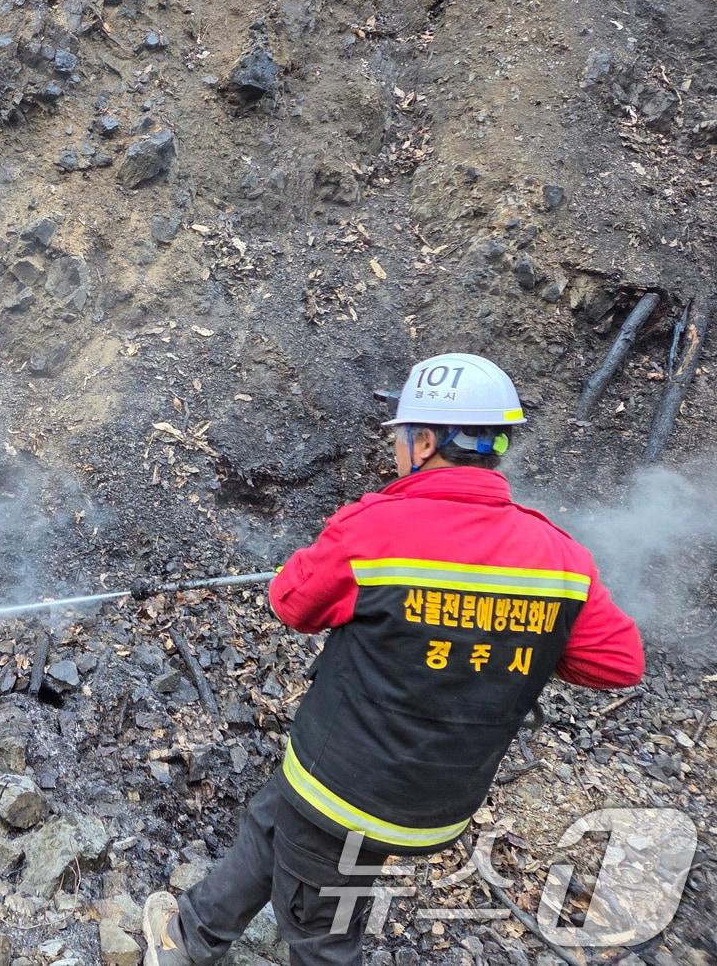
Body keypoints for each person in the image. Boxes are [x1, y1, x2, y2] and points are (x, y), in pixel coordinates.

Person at [142, 352, 645, 966]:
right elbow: (618, 662)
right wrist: (514, 639)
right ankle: (189, 937)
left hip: (348, 789)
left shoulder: (374, 530)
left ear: (428, 440)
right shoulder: (561, 557)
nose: (396, 450)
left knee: (323, 931)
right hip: (435, 798)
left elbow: (291, 604)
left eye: (403, 436)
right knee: (273, 819)